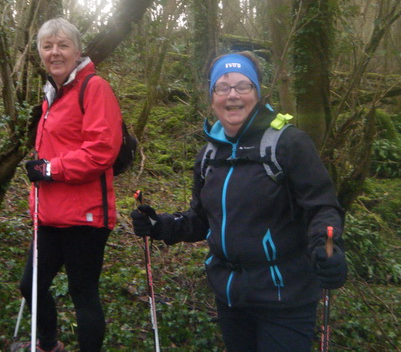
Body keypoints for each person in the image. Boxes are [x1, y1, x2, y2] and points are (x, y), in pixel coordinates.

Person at [131, 52, 347, 351]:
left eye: (243, 86)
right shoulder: (209, 154)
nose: (232, 95)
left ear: (257, 93)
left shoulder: (289, 144)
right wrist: (161, 225)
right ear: (212, 97)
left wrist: (328, 247)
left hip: (284, 299)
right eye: (222, 87)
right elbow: (201, 220)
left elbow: (322, 207)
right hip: (231, 297)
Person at [18, 18, 123, 352]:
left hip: (86, 217)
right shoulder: (53, 95)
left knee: (83, 293)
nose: (55, 53)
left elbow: (101, 151)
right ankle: (49, 344)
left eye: (62, 45)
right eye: (47, 46)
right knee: (30, 286)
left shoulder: (94, 88)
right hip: (50, 215)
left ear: (78, 51)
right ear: (40, 53)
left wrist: (49, 169)